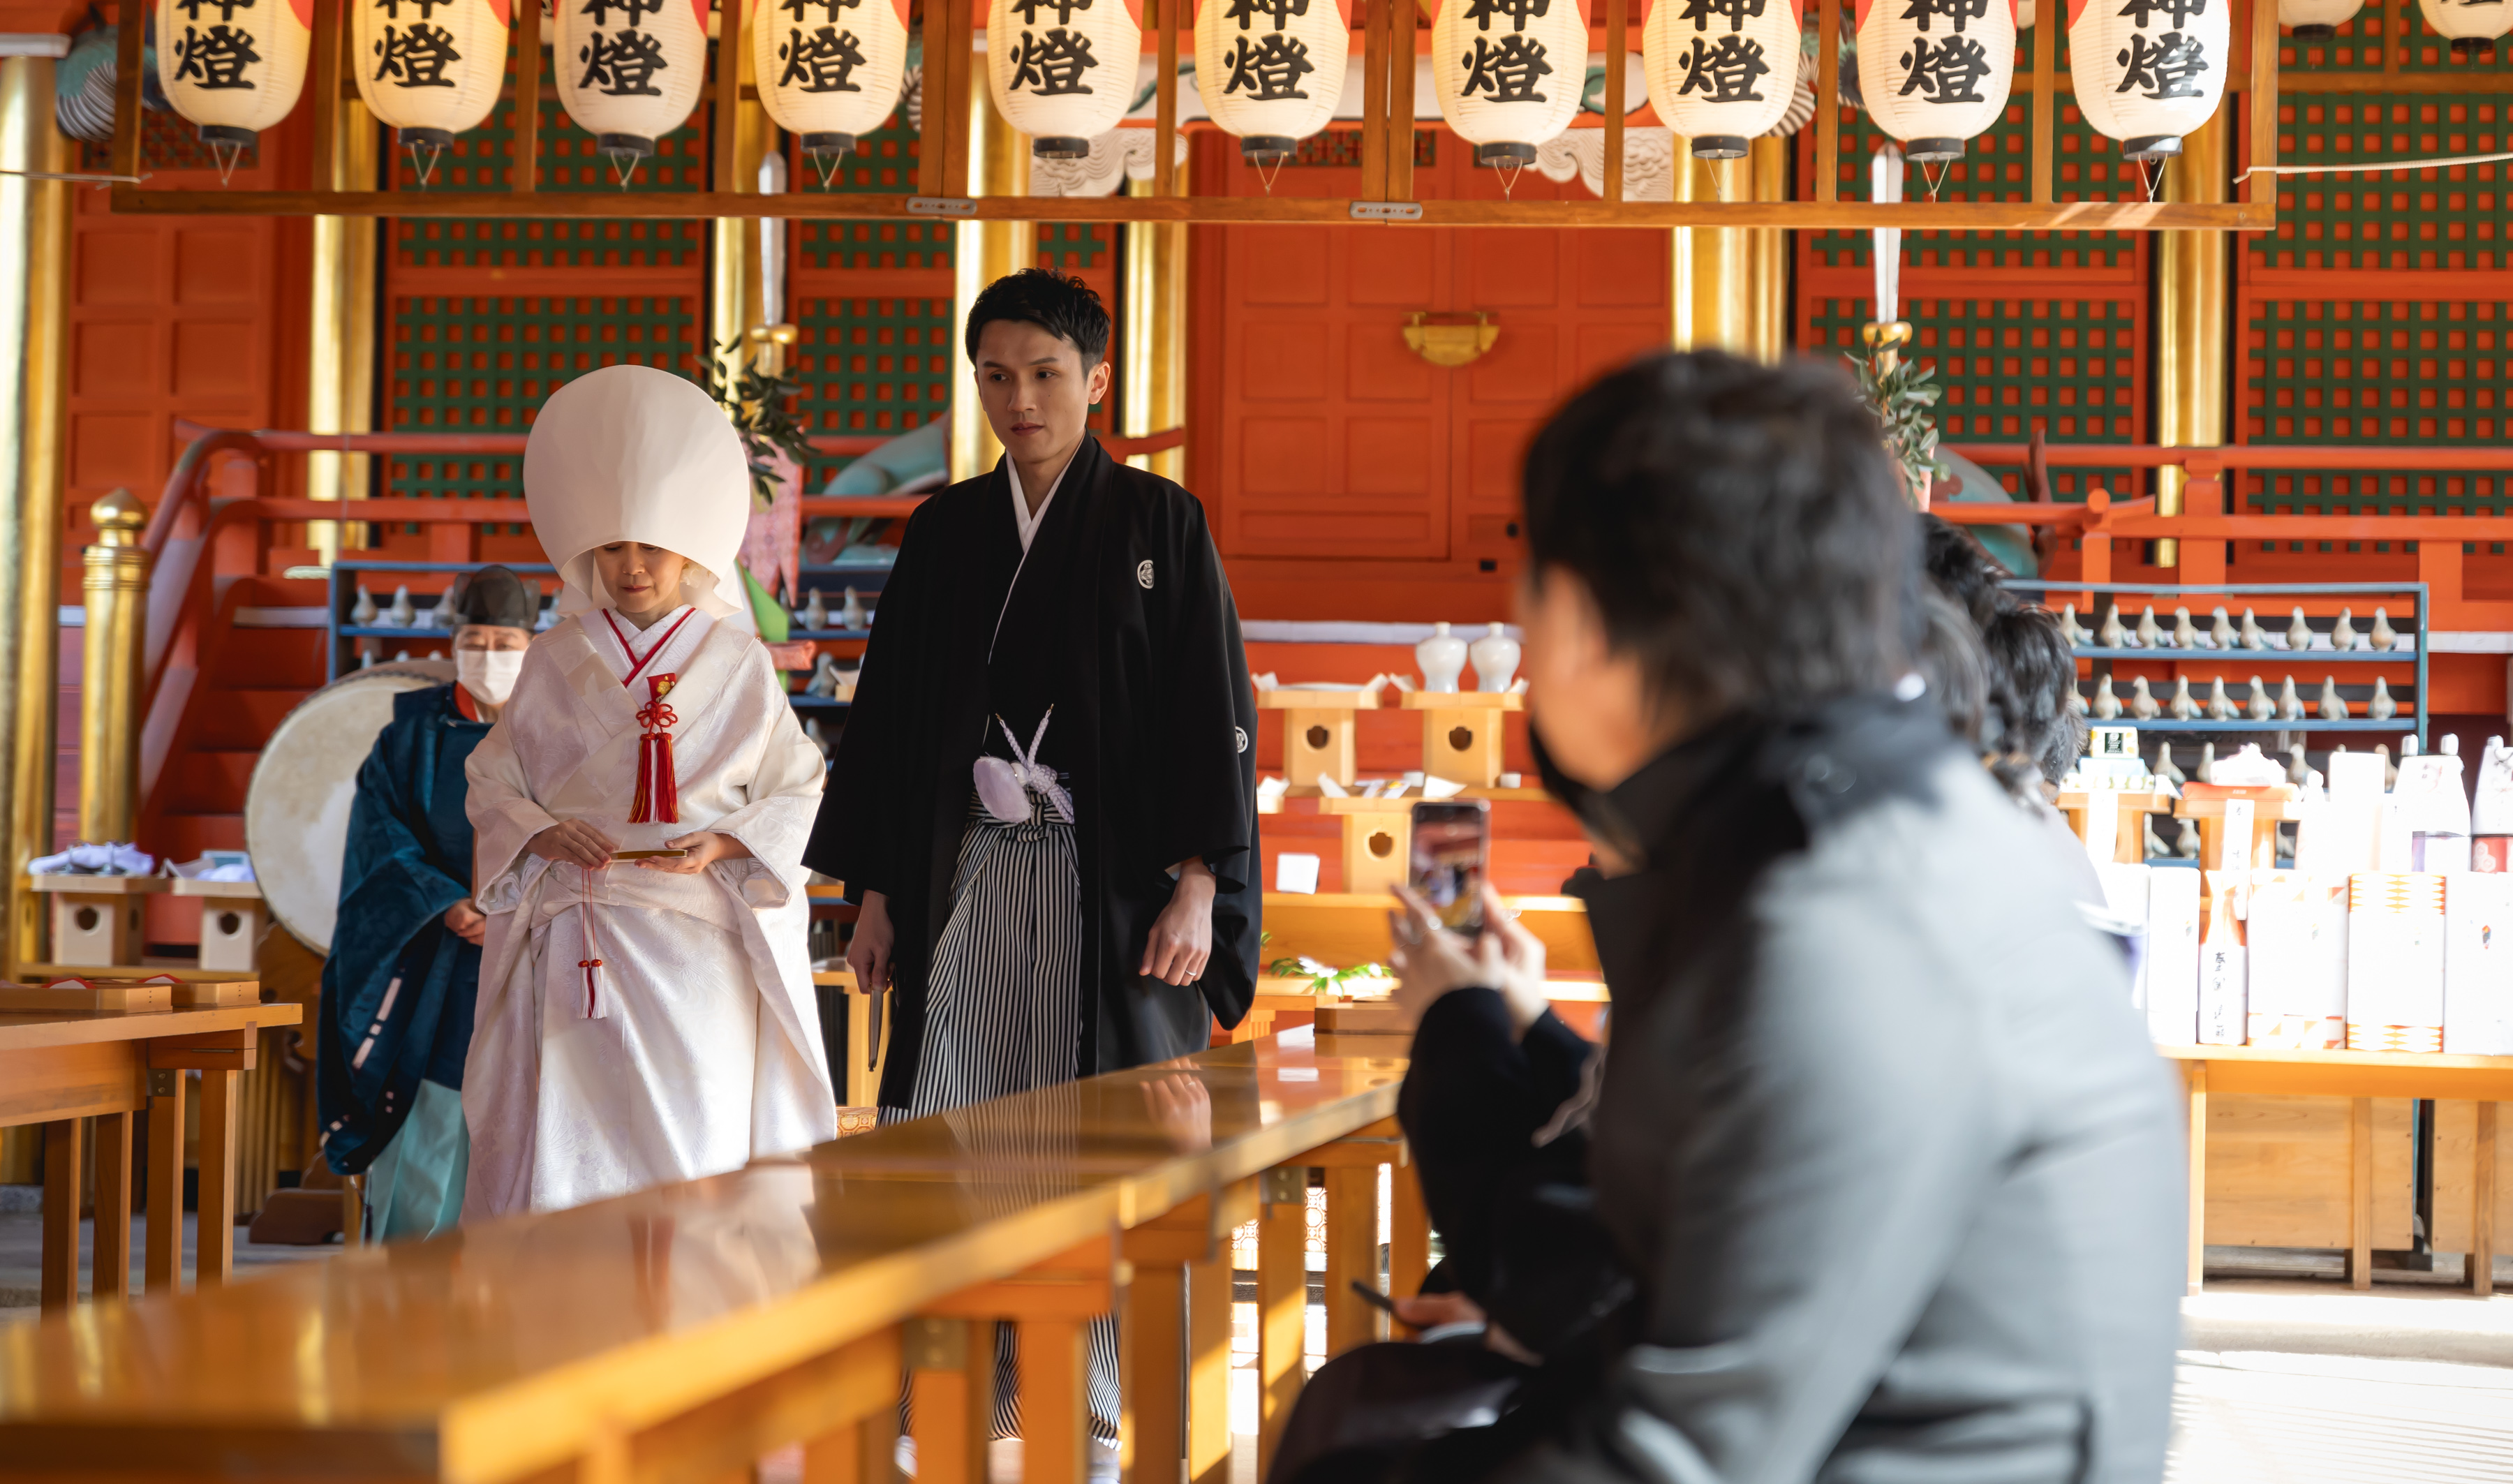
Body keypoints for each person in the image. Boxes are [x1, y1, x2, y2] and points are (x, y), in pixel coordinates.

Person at [1273, 351, 2186, 1484]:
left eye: (1532, 584)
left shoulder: (1845, 921)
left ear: (1589, 628)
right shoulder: (1895, 838)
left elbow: (1685, 1450)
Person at [810, 267, 1261, 1448]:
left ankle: (1100, 1403)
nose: (1022, 400)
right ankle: (955, 1386)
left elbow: (1211, 707)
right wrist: (876, 892)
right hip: (971, 874)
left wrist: (1203, 883)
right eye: (997, 377)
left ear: (1098, 380)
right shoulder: (949, 529)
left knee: (1099, 1138)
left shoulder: (1160, 523)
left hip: (1107, 889)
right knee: (960, 1114)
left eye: (1047, 374)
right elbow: (898, 719)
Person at [462, 364, 836, 1219]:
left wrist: (726, 842)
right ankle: (579, 1325)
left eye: (655, 548)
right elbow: (493, 778)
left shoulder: (737, 661)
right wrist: (542, 832)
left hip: (696, 936)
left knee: (693, 1142)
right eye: (616, 547)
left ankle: (697, 1325)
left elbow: (800, 785)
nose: (634, 567)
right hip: (581, 929)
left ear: (692, 554)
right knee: (575, 1145)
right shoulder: (554, 659)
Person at [316, 565, 536, 1240]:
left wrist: (520, 905)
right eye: (477, 639)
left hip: (533, 946)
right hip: (437, 958)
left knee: (527, 1119)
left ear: (534, 646)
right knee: (432, 1120)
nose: (490, 656)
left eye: (506, 642)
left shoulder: (559, 732)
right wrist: (444, 902)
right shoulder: (410, 736)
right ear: (454, 643)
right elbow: (379, 835)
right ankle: (405, 1294)